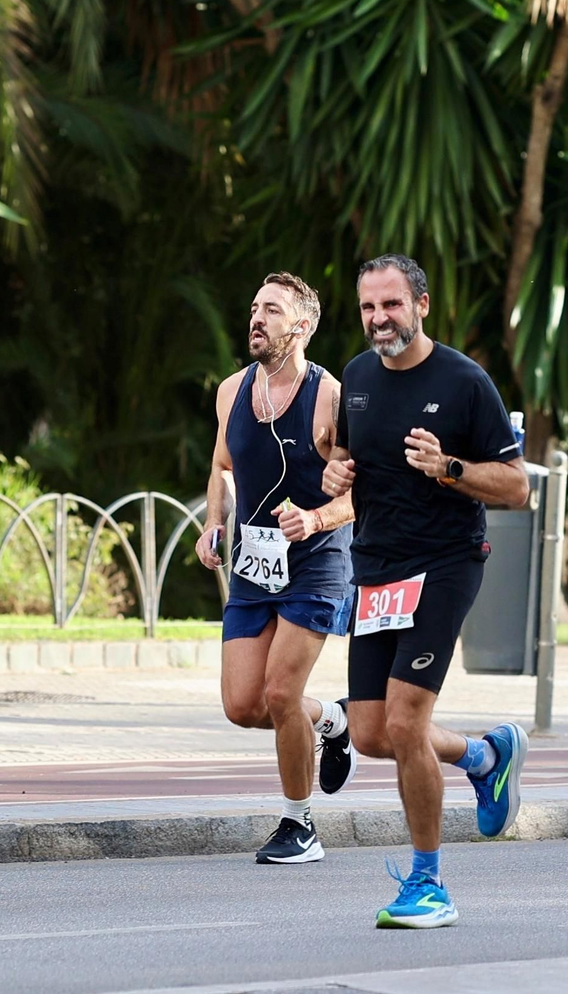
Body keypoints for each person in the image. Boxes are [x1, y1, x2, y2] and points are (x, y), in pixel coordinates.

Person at [323, 253, 530, 929]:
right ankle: (485, 754)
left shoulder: (465, 382)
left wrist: (449, 466)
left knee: (407, 722)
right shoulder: (355, 379)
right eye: (367, 308)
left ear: (420, 304)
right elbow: (348, 461)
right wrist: (335, 477)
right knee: (371, 731)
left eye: (390, 305)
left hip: (444, 562)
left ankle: (429, 881)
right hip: (377, 567)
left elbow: (517, 485)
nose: (379, 319)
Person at [196, 272, 358, 864]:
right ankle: (333, 722)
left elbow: (361, 495)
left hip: (315, 565)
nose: (256, 319)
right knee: (244, 705)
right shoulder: (231, 391)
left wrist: (315, 521)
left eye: (272, 310)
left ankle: (300, 824)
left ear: (303, 326)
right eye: (254, 308)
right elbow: (221, 463)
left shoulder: (331, 398)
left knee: (280, 692)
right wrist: (214, 522)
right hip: (253, 570)